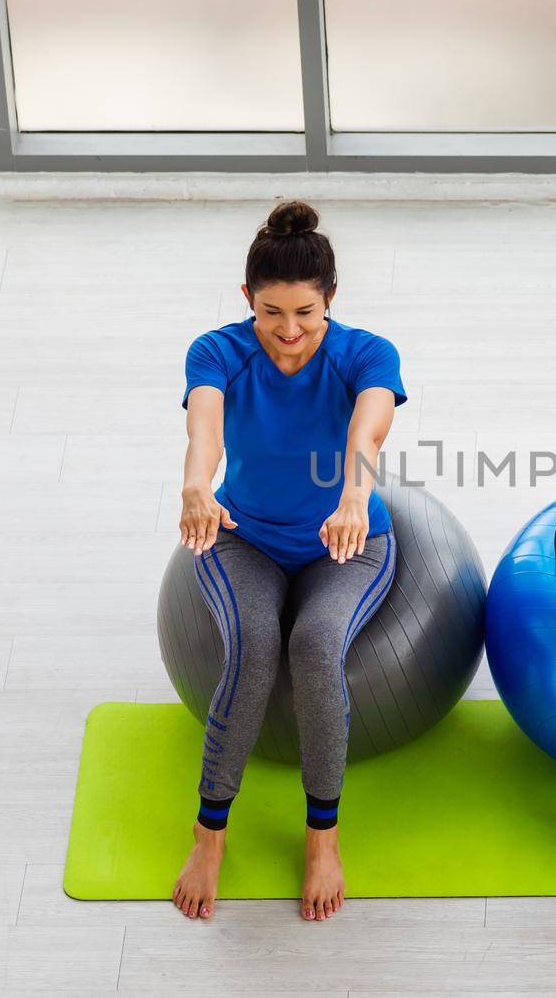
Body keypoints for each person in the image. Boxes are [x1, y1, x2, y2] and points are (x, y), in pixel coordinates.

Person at [170, 199, 405, 924]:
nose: (290, 332)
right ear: (248, 300)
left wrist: (353, 499)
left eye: (305, 312)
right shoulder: (216, 351)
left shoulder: (368, 353)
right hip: (245, 538)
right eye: (272, 313)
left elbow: (368, 432)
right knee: (254, 645)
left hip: (349, 541)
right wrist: (194, 486)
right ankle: (210, 834)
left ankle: (322, 834)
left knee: (315, 643)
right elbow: (205, 427)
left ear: (330, 299)